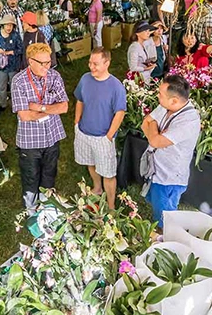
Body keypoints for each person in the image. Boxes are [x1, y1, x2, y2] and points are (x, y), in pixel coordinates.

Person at [11, 43, 69, 212]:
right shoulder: (19, 81)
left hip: (52, 137)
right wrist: (52, 109)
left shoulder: (54, 77)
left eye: (48, 62)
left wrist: (39, 107)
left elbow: (64, 107)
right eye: (42, 63)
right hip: (30, 142)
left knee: (49, 175)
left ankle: (48, 209)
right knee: (31, 178)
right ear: (30, 61)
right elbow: (24, 115)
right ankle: (31, 213)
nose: (46, 66)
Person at [141, 74, 200, 229]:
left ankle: (166, 241)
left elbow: (155, 140)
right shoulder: (167, 105)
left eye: (160, 94)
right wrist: (156, 132)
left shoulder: (188, 121)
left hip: (169, 177)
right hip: (156, 169)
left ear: (174, 100)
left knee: (166, 218)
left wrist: (154, 133)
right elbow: (145, 123)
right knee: (156, 205)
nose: (157, 96)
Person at [74, 48, 126, 210]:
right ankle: (97, 187)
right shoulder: (85, 79)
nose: (91, 67)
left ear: (107, 63)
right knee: (90, 163)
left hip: (103, 137)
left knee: (109, 173)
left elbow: (120, 113)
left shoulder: (116, 86)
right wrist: (77, 123)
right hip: (83, 132)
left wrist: (109, 136)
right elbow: (79, 101)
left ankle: (110, 206)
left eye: (95, 64)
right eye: (90, 63)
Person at [0, 15, 24, 114]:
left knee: (13, 87)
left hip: (13, 65)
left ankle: (14, 105)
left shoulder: (15, 35)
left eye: (11, 25)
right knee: (1, 86)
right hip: (1, 65)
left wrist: (12, 52)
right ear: (2, 25)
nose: (9, 27)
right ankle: (3, 105)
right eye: (7, 25)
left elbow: (21, 49)